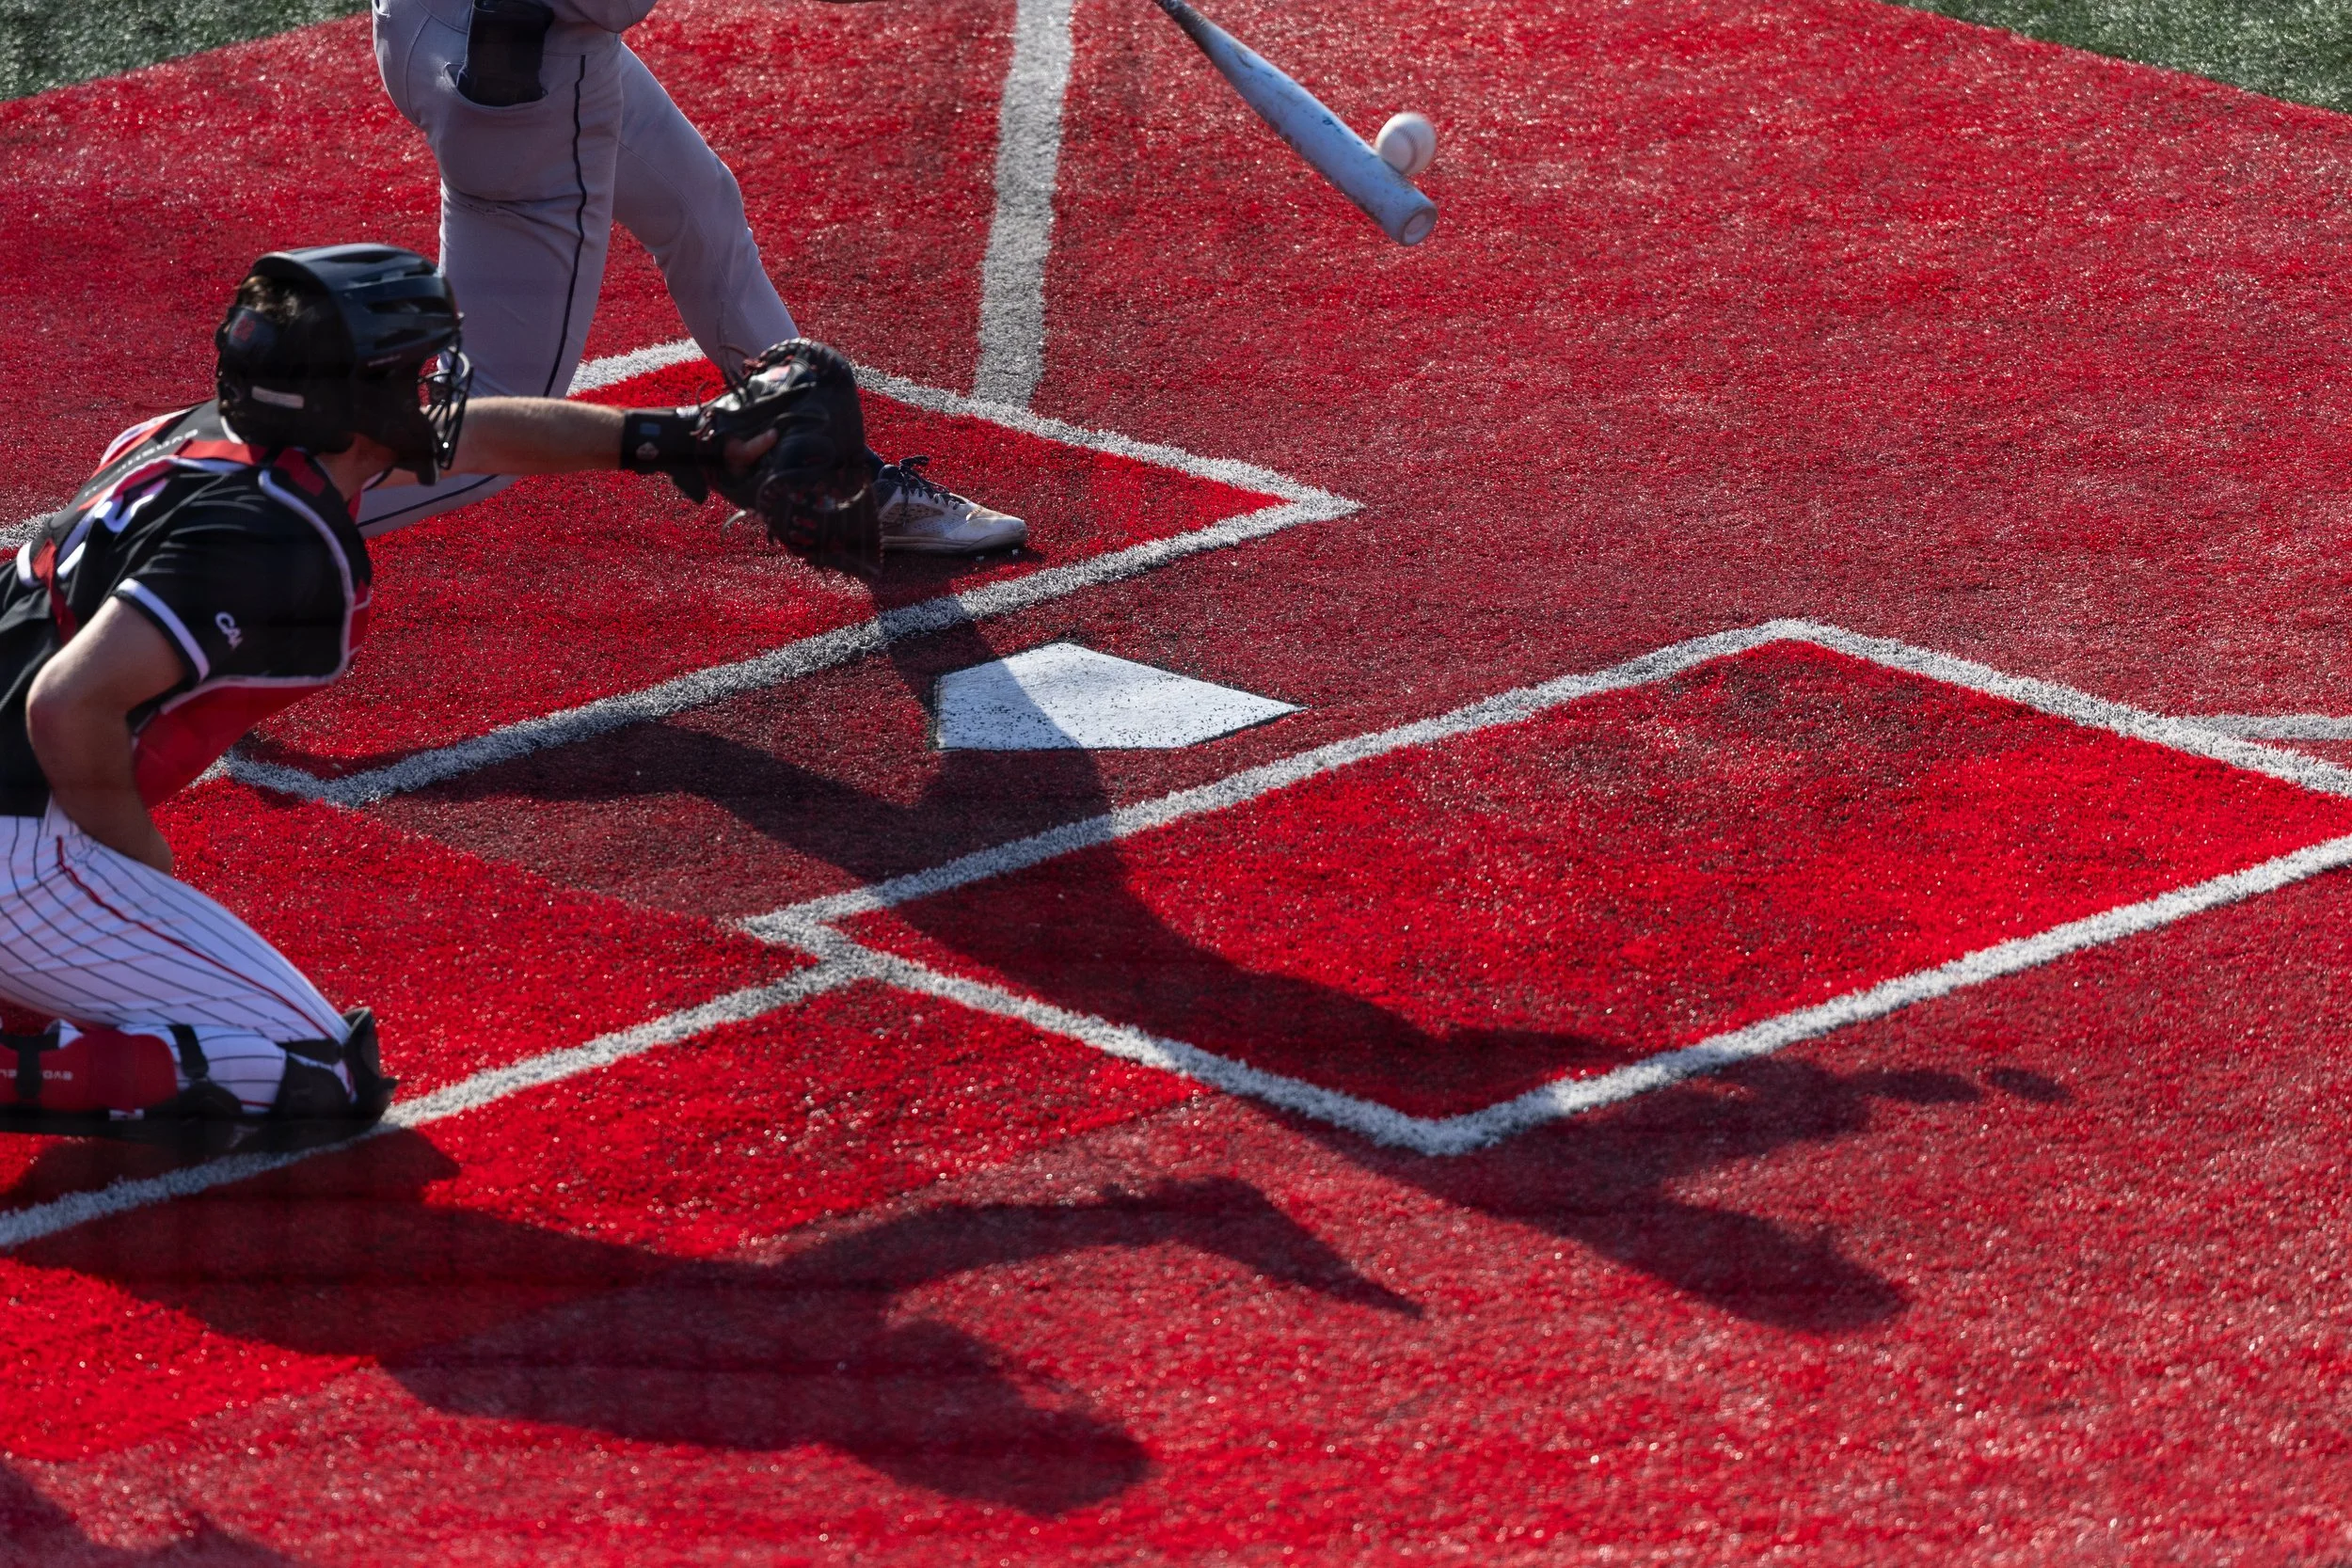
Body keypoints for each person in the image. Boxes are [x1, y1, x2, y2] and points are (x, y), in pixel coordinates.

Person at [0, 243, 841, 1148]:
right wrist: (140, 876)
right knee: (315, 1069)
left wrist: (669, 436)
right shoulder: (266, 534)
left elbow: (481, 432)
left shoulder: (201, 434)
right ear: (357, 399)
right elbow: (66, 707)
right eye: (417, 371)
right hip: (18, 850)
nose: (437, 386)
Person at [364, 0, 1025, 555]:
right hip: (523, 66)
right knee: (487, 419)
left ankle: (818, 473)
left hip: (438, 21)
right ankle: (275, 508)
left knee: (698, 207)